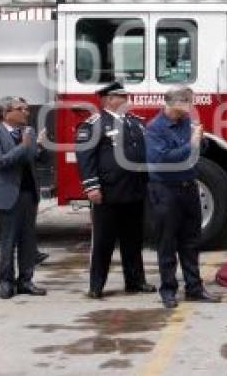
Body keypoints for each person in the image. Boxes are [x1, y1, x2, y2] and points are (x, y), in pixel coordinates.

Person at [75, 81, 155, 299]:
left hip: (134, 190)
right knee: (103, 241)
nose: (126, 99)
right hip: (108, 193)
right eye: (122, 96)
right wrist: (91, 186)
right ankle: (97, 285)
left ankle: (135, 281)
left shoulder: (135, 123)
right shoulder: (94, 123)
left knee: (133, 239)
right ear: (109, 99)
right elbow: (85, 158)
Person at [145, 86, 219, 309]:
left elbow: (196, 152)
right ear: (174, 102)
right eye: (187, 101)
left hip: (189, 188)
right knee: (167, 242)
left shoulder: (187, 122)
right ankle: (168, 290)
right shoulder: (155, 128)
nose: (190, 106)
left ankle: (194, 287)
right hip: (166, 190)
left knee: (191, 241)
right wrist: (192, 143)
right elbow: (163, 159)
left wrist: (202, 141)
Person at [0, 96, 48, 299]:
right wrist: (23, 146)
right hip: (7, 195)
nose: (27, 112)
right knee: (8, 242)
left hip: (28, 194)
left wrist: (40, 147)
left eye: (27, 109)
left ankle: (26, 281)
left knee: (28, 242)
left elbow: (37, 159)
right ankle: (6, 283)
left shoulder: (27, 132)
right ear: (6, 113)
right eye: (22, 109)